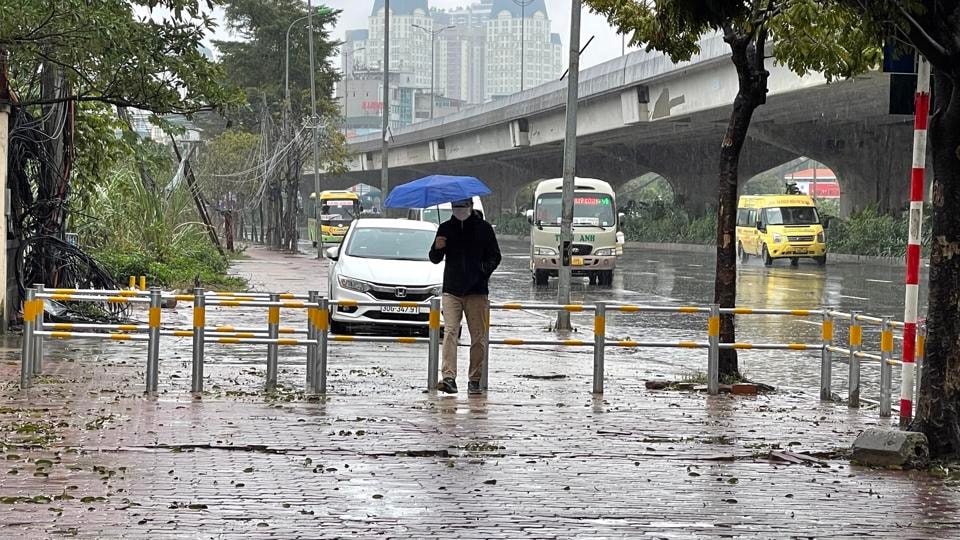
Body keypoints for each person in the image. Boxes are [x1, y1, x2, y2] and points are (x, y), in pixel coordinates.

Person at [429, 198, 501, 395]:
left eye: (462, 206)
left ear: (470, 206)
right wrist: (437, 247)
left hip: (477, 291)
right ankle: (449, 377)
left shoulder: (484, 228)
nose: (459, 210)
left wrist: (482, 271)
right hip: (451, 290)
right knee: (451, 332)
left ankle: (474, 378)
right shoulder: (445, 228)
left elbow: (495, 256)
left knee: (478, 337)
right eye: (455, 206)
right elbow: (434, 258)